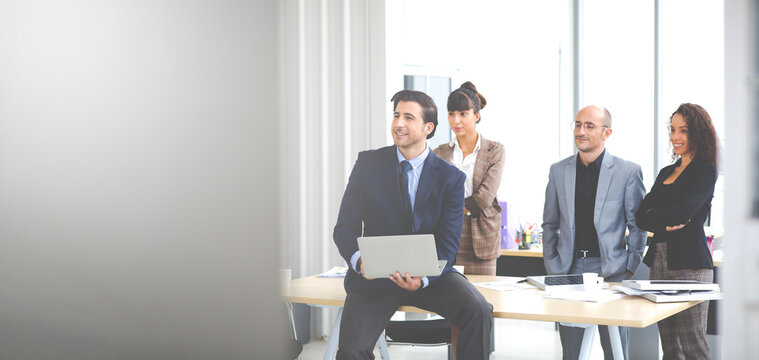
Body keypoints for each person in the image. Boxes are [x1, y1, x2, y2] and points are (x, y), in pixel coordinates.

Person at [333, 90, 493, 360]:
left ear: (428, 128)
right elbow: (344, 228)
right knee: (350, 351)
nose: (398, 123)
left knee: (477, 310)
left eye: (408, 117)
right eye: (396, 115)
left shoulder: (450, 179)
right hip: (374, 277)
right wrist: (359, 261)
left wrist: (425, 279)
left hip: (429, 276)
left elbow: (448, 245)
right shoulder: (368, 164)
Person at [542, 105, 647, 360]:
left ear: (606, 132)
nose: (581, 131)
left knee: (616, 350)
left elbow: (638, 224)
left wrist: (630, 266)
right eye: (577, 124)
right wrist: (553, 265)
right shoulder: (558, 170)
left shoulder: (628, 172)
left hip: (612, 270)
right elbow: (549, 224)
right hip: (568, 270)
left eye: (589, 126)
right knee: (572, 352)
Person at [635, 103, 718, 360]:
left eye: (684, 130)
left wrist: (658, 217)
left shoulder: (705, 171)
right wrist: (665, 221)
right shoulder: (666, 172)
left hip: (691, 265)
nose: (675, 137)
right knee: (670, 347)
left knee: (693, 346)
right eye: (672, 130)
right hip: (659, 261)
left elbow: (684, 212)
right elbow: (640, 217)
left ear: (698, 134)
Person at [434, 81, 505, 275]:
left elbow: (484, 197)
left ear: (477, 115)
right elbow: (433, 198)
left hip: (482, 240)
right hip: (447, 239)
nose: (456, 120)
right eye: (451, 113)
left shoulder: (494, 150)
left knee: (483, 301)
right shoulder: (438, 153)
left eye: (463, 114)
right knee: (448, 302)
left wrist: (449, 207)